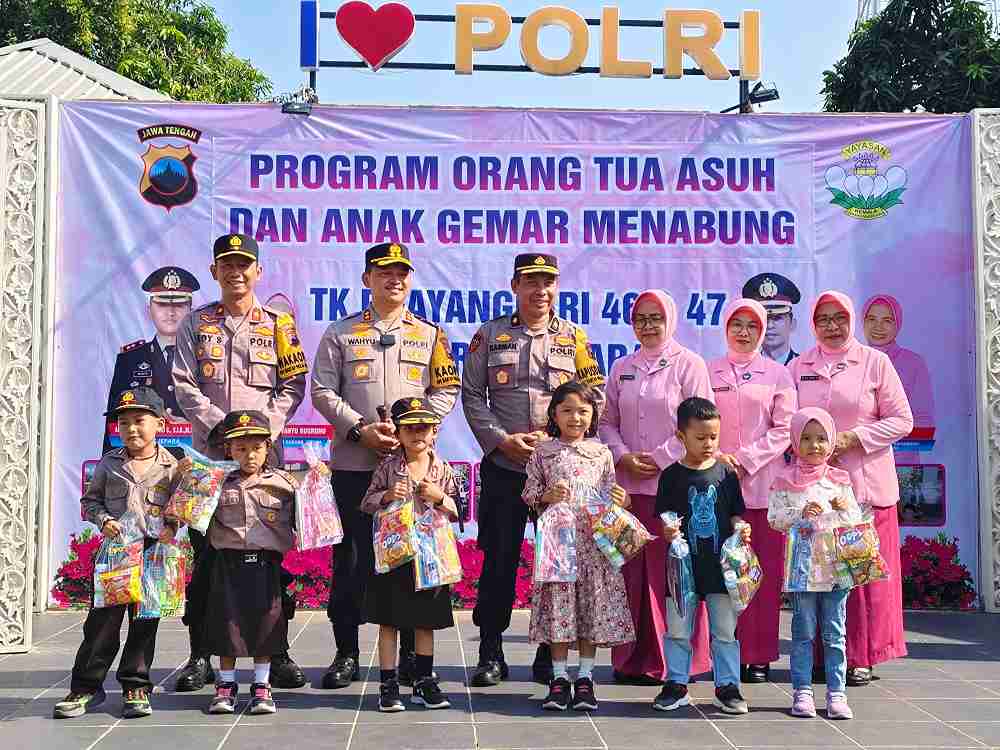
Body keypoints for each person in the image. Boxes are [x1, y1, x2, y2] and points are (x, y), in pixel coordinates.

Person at [311, 242, 461, 689]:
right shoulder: (340, 332)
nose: (393, 279)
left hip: (413, 469)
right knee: (353, 559)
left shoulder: (430, 334)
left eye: (401, 272)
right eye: (383, 272)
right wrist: (360, 430)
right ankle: (346, 652)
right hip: (357, 463)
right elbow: (322, 391)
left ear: (410, 279)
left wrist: (414, 428)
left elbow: (446, 389)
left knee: (414, 560)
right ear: (367, 280)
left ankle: (416, 658)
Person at [172, 233, 308, 691]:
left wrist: (261, 429)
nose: (236, 271)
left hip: (263, 459)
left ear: (258, 271)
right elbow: (183, 384)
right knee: (207, 557)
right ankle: (200, 656)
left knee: (270, 558)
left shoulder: (279, 324)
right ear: (214, 271)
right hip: (209, 459)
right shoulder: (196, 323)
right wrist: (222, 429)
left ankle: (279, 652)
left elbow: (293, 386)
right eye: (227, 264)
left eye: (244, 264)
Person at [462, 253, 605, 687]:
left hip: (559, 473)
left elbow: (592, 394)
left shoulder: (574, 337)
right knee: (499, 560)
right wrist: (502, 439)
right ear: (514, 286)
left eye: (548, 282)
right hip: (506, 464)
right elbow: (471, 395)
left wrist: (560, 439)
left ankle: (550, 652)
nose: (540, 291)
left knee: (556, 563)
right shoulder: (489, 335)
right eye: (531, 282)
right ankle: (490, 651)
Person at [790, 291, 913, 686]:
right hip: (816, 492)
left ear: (850, 321)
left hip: (865, 486)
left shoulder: (875, 362)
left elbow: (902, 420)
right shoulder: (798, 366)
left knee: (862, 578)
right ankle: (825, 657)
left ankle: (862, 657)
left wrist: (855, 438)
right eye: (823, 318)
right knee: (822, 577)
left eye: (838, 317)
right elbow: (788, 422)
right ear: (813, 323)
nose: (831, 325)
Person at [598, 289, 714, 685]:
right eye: (641, 318)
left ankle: (678, 662)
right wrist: (622, 454)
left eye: (655, 318)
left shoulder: (689, 364)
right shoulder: (622, 367)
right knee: (632, 575)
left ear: (671, 320)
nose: (648, 326)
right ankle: (632, 659)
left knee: (676, 572)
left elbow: (701, 422)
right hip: (629, 488)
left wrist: (662, 457)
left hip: (676, 484)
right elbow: (606, 421)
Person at [54, 388, 181, 720]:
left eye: (139, 421)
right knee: (102, 625)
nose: (131, 429)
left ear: (160, 425)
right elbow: (89, 501)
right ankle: (85, 687)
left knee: (144, 624)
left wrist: (173, 526)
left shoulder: (173, 467)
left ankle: (135, 685)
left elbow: (182, 508)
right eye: (123, 423)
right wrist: (103, 519)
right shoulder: (109, 464)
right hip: (116, 556)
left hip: (153, 555)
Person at [522, 381, 634, 711]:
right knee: (559, 608)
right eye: (567, 410)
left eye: (583, 411)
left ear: (593, 415)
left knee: (590, 608)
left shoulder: (601, 453)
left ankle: (585, 677)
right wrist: (545, 497)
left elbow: (613, 494)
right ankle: (559, 678)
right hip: (559, 545)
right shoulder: (543, 453)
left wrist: (623, 499)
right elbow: (528, 493)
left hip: (594, 547)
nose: (575, 418)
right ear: (554, 414)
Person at [709, 299, 796, 684]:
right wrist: (717, 458)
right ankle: (719, 651)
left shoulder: (777, 374)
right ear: (725, 327)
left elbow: (784, 428)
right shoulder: (707, 370)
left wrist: (745, 458)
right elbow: (695, 418)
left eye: (752, 326)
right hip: (715, 483)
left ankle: (758, 654)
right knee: (716, 575)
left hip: (762, 485)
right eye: (736, 324)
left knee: (760, 573)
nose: (743, 332)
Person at [360, 397, 461, 712]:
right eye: (410, 428)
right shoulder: (388, 467)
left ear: (435, 432)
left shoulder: (442, 469)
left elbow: (459, 511)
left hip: (430, 557)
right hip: (394, 555)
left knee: (425, 622)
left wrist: (439, 496)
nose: (418, 434)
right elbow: (366, 503)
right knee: (389, 622)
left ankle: (423, 680)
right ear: (399, 433)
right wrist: (388, 495)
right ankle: (388, 682)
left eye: (424, 428)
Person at [654, 397, 750, 715]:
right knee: (678, 629)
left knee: (725, 631)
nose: (708, 444)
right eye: (700, 437)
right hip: (682, 569)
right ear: (681, 436)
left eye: (713, 437)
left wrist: (742, 529)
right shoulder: (670, 476)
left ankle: (727, 686)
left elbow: (737, 514)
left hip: (721, 570)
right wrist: (669, 529)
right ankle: (677, 684)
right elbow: (665, 515)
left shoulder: (726, 475)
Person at [768, 406, 863, 721]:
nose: (814, 445)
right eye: (806, 438)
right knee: (803, 631)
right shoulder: (784, 480)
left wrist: (843, 508)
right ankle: (802, 692)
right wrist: (799, 515)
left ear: (832, 440)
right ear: (795, 440)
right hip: (803, 571)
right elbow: (774, 519)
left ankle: (837, 693)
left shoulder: (839, 479)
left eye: (822, 438)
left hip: (836, 570)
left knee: (835, 633)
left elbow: (854, 521)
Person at [203, 410, 297, 715]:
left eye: (256, 447)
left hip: (266, 566)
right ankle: (226, 685)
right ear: (228, 449)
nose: (249, 455)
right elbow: (192, 514)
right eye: (240, 448)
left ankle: (261, 685)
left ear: (268, 447)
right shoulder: (216, 482)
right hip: (227, 564)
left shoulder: (284, 483)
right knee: (226, 624)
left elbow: (308, 514)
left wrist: (318, 482)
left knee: (266, 624)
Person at [103, 266, 200, 455]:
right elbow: (114, 423)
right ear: (149, 309)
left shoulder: (205, 358)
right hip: (143, 465)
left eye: (179, 305)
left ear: (191, 310)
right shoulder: (130, 359)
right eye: (162, 304)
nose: (170, 312)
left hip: (196, 465)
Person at [861, 295, 934, 463]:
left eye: (887, 320)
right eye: (871, 319)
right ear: (863, 322)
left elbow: (923, 422)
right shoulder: (853, 361)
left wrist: (884, 449)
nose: (878, 327)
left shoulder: (914, 363)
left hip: (901, 466)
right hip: (860, 464)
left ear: (898, 324)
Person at [742, 273, 802, 365]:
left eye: (777, 318)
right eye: (764, 319)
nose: (770, 325)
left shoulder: (805, 368)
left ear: (792, 324)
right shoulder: (743, 369)